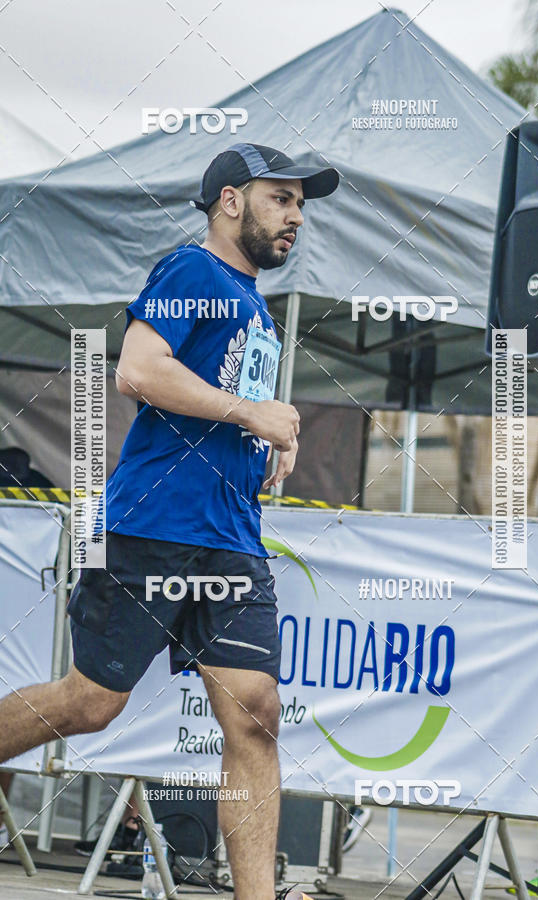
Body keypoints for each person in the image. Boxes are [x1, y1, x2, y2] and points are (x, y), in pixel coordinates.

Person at [0, 142, 339, 900]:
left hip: (232, 540)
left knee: (256, 713)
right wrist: (250, 411)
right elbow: (139, 370)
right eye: (281, 198)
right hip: (153, 526)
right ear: (230, 202)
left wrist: (269, 438)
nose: (296, 216)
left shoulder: (256, 307)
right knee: (92, 703)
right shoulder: (193, 271)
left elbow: (223, 401)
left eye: (300, 204)